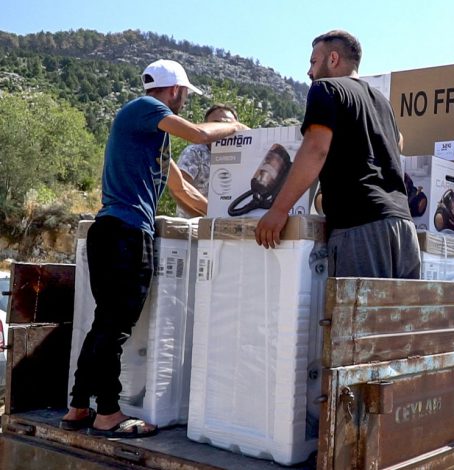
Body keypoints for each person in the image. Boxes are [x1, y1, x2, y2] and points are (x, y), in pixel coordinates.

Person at [60, 59, 249, 438]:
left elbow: (185, 193)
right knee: (115, 327)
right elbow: (197, 134)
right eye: (183, 95)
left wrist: (230, 221)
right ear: (176, 90)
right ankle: (109, 414)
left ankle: (79, 406)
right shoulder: (145, 108)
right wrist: (236, 128)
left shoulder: (153, 140)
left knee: (105, 323)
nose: (183, 102)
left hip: (114, 233)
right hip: (125, 234)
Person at [255, 30, 420, 279]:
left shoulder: (325, 89)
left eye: (313, 62)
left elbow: (315, 148)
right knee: (396, 317)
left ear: (333, 59)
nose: (309, 72)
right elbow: (398, 143)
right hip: (403, 228)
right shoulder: (381, 102)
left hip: (360, 227)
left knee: (356, 316)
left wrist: (278, 210)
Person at [176, 104, 239, 217]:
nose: (222, 128)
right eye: (216, 123)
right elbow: (179, 188)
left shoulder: (245, 156)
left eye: (227, 124)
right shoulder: (195, 153)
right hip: (195, 226)